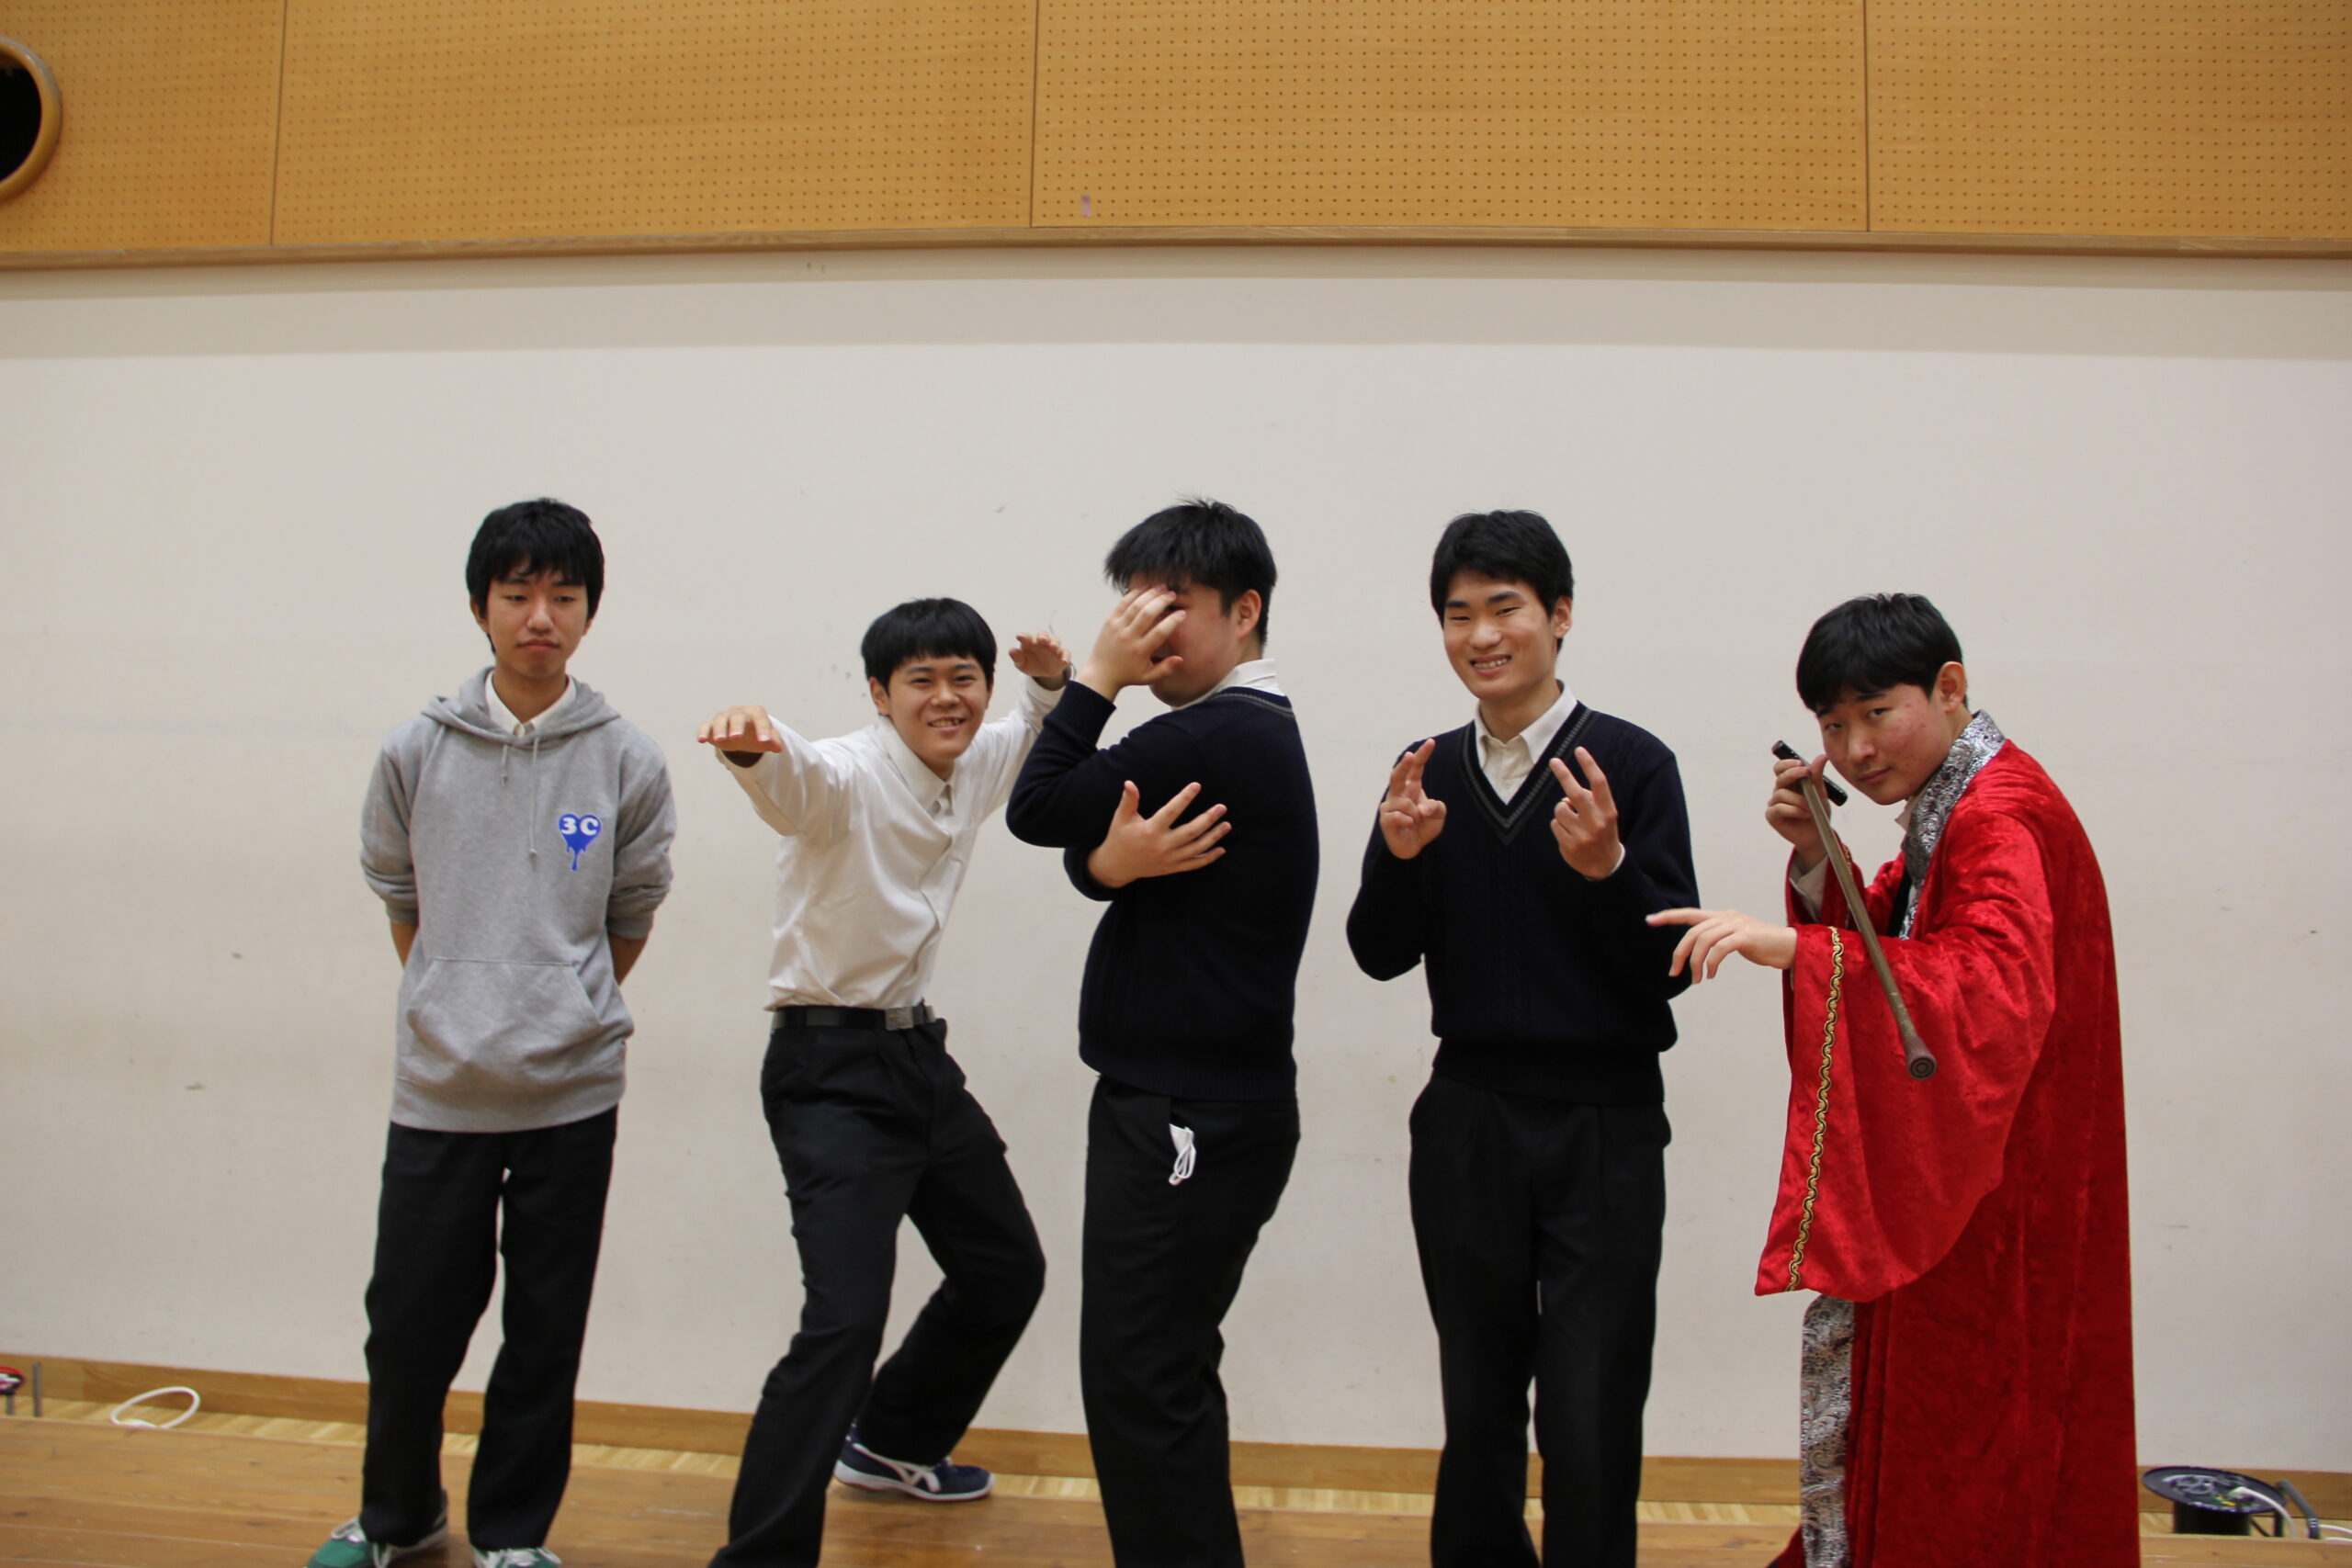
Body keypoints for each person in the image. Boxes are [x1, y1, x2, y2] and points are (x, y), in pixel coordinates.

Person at [1647, 592, 2135, 1567]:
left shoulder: (1999, 813)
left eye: (1877, 713)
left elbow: (1985, 984)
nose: (1856, 749)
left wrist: (1797, 947)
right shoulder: (1963, 797)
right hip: (1988, 1169)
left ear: (1949, 688)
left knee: (1968, 1429)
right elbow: (1905, 935)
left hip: (1997, 1188)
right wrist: (1816, 856)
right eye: (1833, 726)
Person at [319, 498, 677, 1568]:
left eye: (563, 596)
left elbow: (631, 911)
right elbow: (399, 892)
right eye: (517, 594)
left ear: (589, 612)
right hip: (441, 1088)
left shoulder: (626, 758)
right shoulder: (415, 749)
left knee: (545, 1328)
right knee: (409, 1325)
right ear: (480, 608)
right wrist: (457, 999)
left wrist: (562, 1005)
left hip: (572, 1092)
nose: (539, 617)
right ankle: (399, 1517)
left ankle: (513, 1537)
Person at [1345, 509, 1698, 1568]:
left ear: (1561, 614)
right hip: (1466, 1117)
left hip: (1604, 1125)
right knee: (1479, 1399)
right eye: (1458, 615)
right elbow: (1375, 953)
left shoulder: (1630, 764)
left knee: (1591, 1407)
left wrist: (1609, 874)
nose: (1481, 635)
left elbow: (1671, 964)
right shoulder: (1426, 769)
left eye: (1505, 608)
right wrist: (1399, 858)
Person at [695, 598, 1071, 1568]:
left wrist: (1047, 682)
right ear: (878, 693)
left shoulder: (970, 760)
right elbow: (794, 777)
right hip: (828, 1071)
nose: (946, 698)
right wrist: (752, 744)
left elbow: (1030, 729)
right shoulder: (847, 774)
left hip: (915, 1057)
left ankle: (892, 1441)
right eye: (921, 681)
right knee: (845, 1320)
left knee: (1006, 1270)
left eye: (963, 678)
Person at [1005, 499, 1317, 1568]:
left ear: (1245, 611)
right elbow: (1082, 840)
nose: (1145, 629)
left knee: (1143, 1378)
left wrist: (1094, 678)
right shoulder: (1220, 733)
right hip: (1188, 1103)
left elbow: (1037, 806)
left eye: (1170, 605)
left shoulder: (1218, 731)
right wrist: (1110, 866)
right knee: (1157, 1371)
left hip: (1191, 1114)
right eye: (1132, 607)